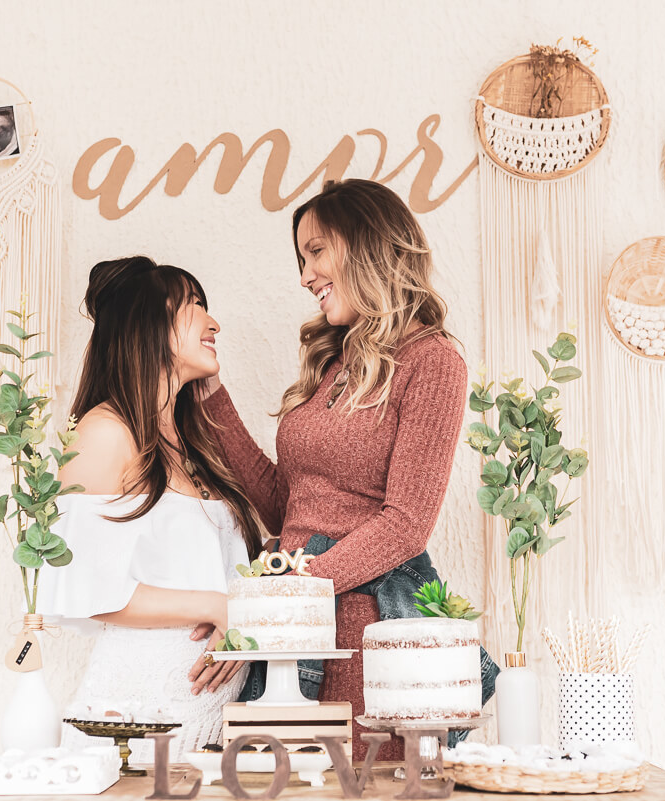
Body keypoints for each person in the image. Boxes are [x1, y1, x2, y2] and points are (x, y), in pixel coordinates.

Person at [200, 179, 477, 761]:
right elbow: (286, 507)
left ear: (366, 245)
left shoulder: (432, 361)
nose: (305, 276)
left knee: (354, 782)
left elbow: (406, 524)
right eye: (301, 260)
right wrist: (212, 395)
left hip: (361, 626)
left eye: (316, 251)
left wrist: (291, 595)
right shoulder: (335, 361)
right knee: (280, 781)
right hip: (297, 622)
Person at [37, 256, 264, 761]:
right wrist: (216, 606)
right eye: (196, 306)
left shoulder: (194, 443)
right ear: (150, 323)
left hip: (210, 727)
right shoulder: (103, 433)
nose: (214, 323)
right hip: (132, 729)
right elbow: (84, 587)